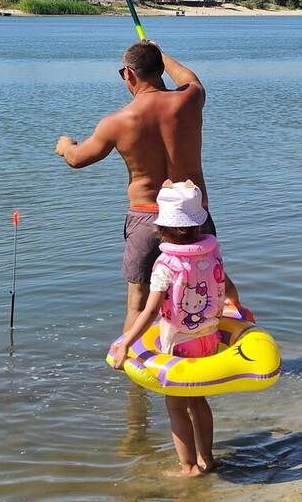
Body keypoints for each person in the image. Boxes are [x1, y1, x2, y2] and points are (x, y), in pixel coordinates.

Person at [55, 40, 240, 330]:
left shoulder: (118, 121)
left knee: (138, 304)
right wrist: (159, 52)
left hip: (147, 216)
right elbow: (189, 78)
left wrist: (65, 146)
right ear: (160, 68)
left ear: (129, 74)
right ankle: (231, 335)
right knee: (216, 284)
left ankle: (129, 354)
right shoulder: (190, 100)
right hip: (192, 214)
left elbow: (77, 160)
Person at [112, 181, 222, 477]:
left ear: (161, 227)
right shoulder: (211, 252)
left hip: (179, 344)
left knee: (176, 406)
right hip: (208, 339)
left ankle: (189, 467)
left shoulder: (166, 265)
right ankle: (207, 459)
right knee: (198, 400)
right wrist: (238, 304)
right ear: (197, 224)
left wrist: (125, 344)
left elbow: (149, 312)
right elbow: (224, 284)